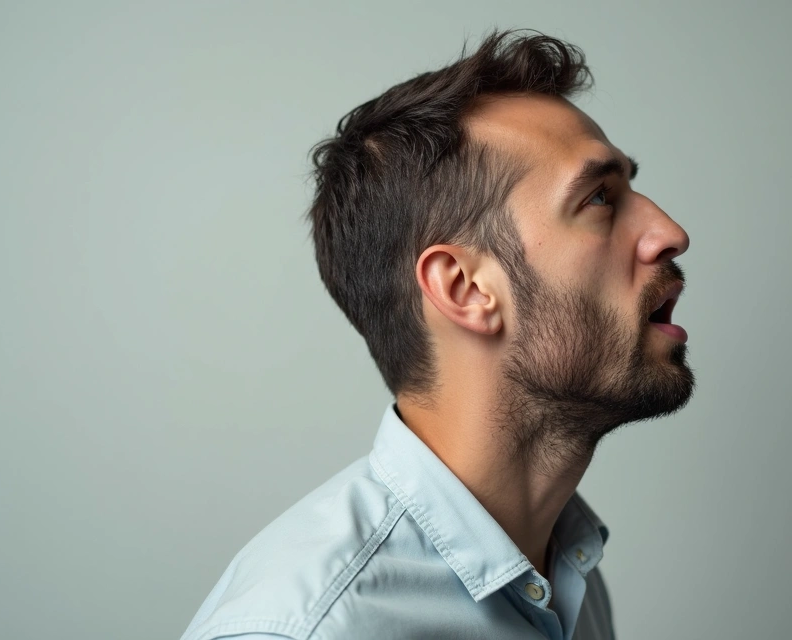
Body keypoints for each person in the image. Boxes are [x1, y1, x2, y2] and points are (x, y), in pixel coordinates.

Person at [181, 28, 693, 640]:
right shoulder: (311, 629)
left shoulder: (568, 571)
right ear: (465, 289)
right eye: (600, 198)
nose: (669, 232)